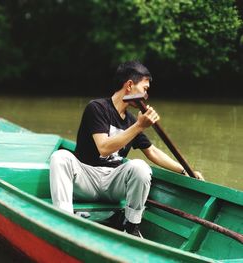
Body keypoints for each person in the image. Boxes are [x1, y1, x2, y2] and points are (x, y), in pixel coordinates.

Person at [49, 61, 203, 238]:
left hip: (112, 184)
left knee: (140, 167)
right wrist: (139, 126)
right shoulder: (97, 108)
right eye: (144, 88)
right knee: (60, 157)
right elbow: (103, 148)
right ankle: (64, 220)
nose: (146, 94)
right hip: (85, 177)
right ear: (129, 85)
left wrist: (185, 170)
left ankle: (131, 226)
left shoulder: (131, 120)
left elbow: (152, 152)